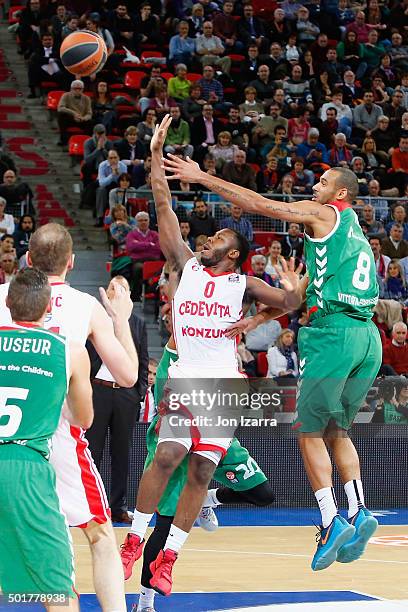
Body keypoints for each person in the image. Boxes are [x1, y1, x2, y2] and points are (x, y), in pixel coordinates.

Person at [164, 153, 383, 571]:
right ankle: (359, 510)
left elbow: (259, 205)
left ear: (340, 194)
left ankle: (330, 521)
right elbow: (297, 299)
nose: (314, 186)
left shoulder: (323, 214)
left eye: (322, 181)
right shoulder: (353, 235)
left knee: (308, 433)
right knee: (337, 429)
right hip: (367, 338)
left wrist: (200, 176)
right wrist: (258, 318)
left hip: (333, 335)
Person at [120, 115, 303, 596]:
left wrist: (263, 315)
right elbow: (162, 201)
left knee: (201, 470)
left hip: (225, 384)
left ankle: (169, 559)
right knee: (167, 455)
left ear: (235, 255)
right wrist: (155, 154)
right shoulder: (185, 264)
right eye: (207, 238)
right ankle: (133, 541)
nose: (208, 240)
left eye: (218, 240)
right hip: (186, 376)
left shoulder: (244, 284)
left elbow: (291, 303)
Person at [0, 223, 139, 611]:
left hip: (10, 434)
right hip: (55, 432)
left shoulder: (3, 298)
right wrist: (121, 320)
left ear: (27, 260)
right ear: (72, 263)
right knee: (100, 536)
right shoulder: (85, 306)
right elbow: (127, 375)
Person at [133, 331, 276, 612]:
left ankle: (206, 500)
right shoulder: (179, 353)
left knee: (263, 494)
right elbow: (180, 326)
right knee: (163, 527)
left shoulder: (223, 353)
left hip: (213, 433)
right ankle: (144, 603)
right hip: (177, 437)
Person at [0, 269, 93, 609]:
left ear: (8, 303)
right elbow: (84, 419)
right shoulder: (68, 350)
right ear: (48, 307)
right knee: (57, 591)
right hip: (26, 467)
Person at [86, 276, 149, 524]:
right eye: (112, 287)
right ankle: (92, 505)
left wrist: (139, 394)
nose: (116, 291)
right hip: (97, 390)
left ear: (129, 294)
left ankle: (118, 506)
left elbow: (143, 361)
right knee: (93, 451)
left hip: (125, 394)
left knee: (122, 453)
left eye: (122, 287)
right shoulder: (95, 318)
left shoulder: (139, 323)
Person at [126, 211, 161, 302]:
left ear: (149, 221)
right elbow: (130, 247)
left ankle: (152, 292)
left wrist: (139, 245)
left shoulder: (155, 234)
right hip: (137, 261)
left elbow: (158, 249)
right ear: (137, 222)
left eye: (145, 220)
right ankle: (136, 294)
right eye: (140, 220)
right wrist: (149, 244)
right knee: (138, 268)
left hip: (153, 261)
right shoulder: (131, 234)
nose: (143, 222)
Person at [57, 80, 92, 146]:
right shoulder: (66, 95)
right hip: (70, 118)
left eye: (79, 89)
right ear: (71, 89)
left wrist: (83, 118)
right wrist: (74, 113)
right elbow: (60, 108)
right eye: (75, 88)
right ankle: (64, 140)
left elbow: (89, 113)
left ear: (83, 89)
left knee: (91, 121)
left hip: (81, 119)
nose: (77, 90)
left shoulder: (87, 98)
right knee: (61, 115)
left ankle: (86, 142)